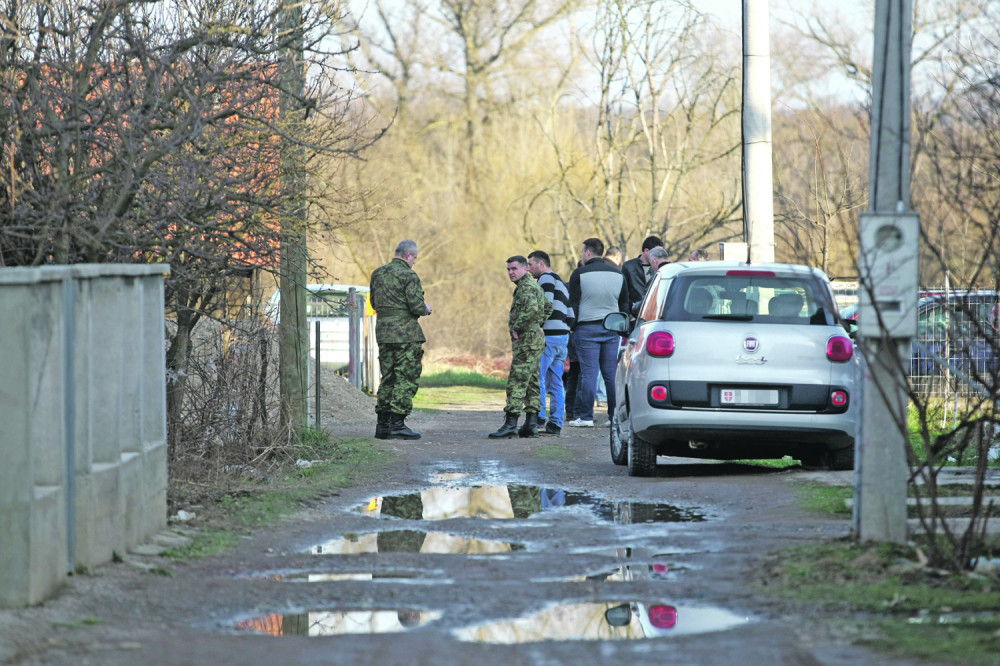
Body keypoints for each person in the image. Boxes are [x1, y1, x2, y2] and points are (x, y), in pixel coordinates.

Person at [369, 240, 432, 440]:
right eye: (415, 258)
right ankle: (397, 424)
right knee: (405, 378)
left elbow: (373, 302)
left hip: (384, 333)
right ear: (408, 255)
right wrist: (426, 309)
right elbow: (416, 306)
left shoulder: (377, 274)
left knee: (388, 378)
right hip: (406, 335)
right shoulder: (409, 275)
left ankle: (382, 426)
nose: (414, 262)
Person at [566, 238, 629, 427]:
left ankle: (585, 417)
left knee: (589, 373)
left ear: (587, 252)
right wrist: (621, 326)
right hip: (611, 329)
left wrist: (573, 325)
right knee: (610, 374)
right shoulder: (618, 274)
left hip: (586, 328)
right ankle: (613, 416)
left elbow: (573, 304)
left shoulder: (579, 273)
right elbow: (624, 303)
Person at [489, 256, 553, 439]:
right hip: (535, 339)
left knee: (517, 380)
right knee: (532, 381)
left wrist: (519, 326)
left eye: (514, 268)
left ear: (525, 269)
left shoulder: (526, 287)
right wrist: (537, 324)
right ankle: (531, 424)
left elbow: (534, 309)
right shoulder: (534, 286)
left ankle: (510, 424)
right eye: (508, 269)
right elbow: (548, 307)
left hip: (527, 340)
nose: (510, 272)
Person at [526, 250, 575, 436]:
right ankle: (555, 423)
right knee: (556, 381)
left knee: (537, 377)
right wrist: (564, 328)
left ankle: (538, 417)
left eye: (530, 264)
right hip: (562, 337)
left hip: (548, 336)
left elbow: (544, 306)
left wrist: (534, 327)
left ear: (541, 264)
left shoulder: (545, 279)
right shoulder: (561, 283)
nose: (529, 269)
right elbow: (571, 314)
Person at [622, 235, 664, 314]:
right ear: (646, 251)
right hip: (635, 316)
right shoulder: (629, 267)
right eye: (657, 253)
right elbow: (623, 295)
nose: (659, 256)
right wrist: (629, 316)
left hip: (655, 315)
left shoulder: (661, 268)